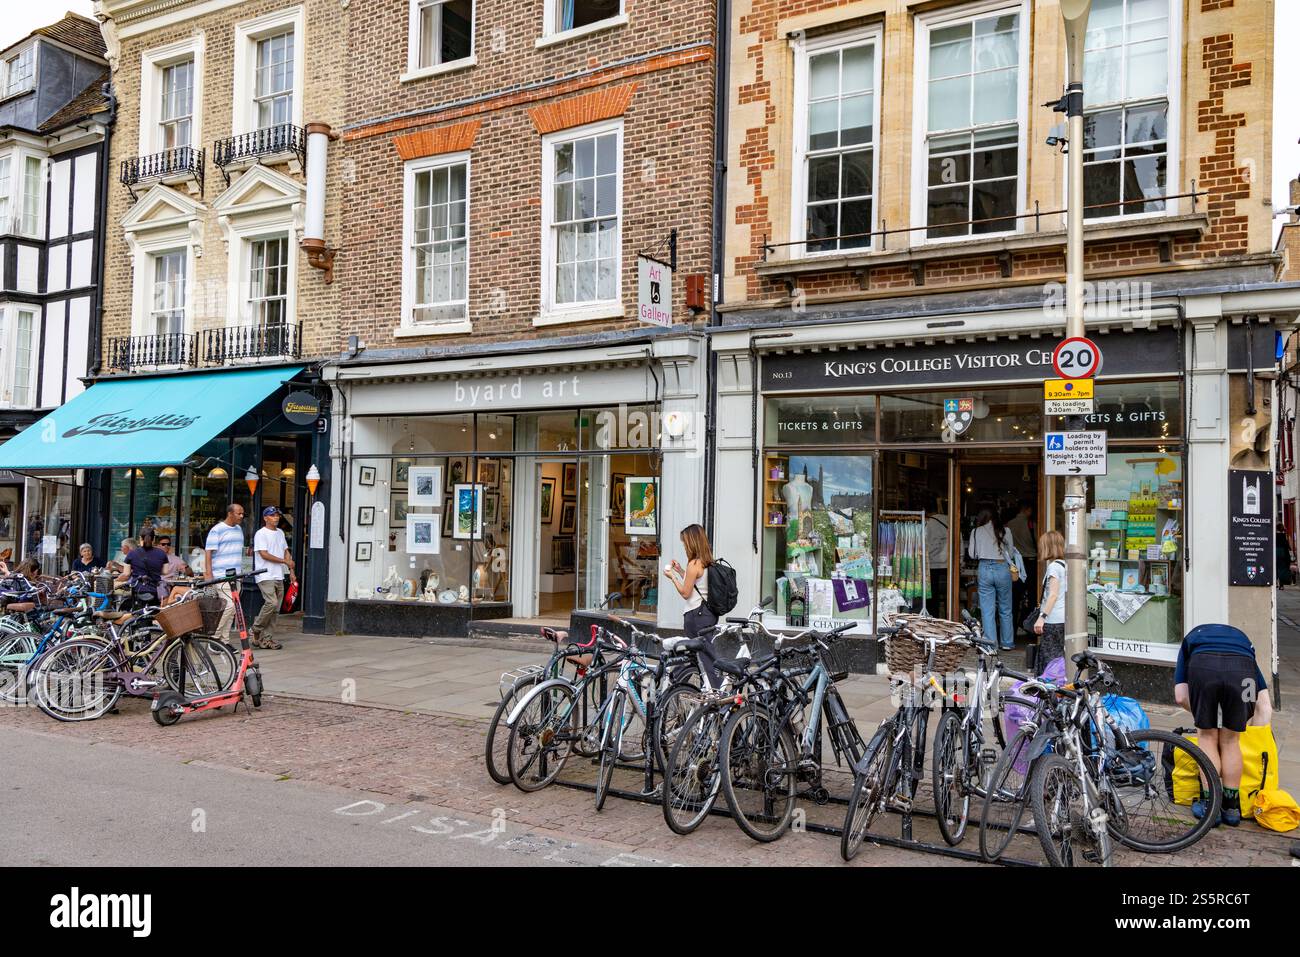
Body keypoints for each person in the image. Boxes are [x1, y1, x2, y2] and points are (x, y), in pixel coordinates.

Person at [1173, 623, 1274, 827]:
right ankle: (1231, 809)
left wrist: (1205, 717)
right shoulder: (1245, 645)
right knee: (1231, 740)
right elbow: (1262, 702)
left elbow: (1181, 697)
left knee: (1207, 736)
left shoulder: (1190, 641)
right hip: (1242, 670)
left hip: (1204, 667)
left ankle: (1211, 805)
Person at [665, 524, 719, 686]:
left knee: (701, 656)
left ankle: (716, 690)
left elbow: (686, 593)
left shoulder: (694, 564)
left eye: (684, 543)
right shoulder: (707, 561)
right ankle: (678, 685)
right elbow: (697, 584)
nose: (684, 546)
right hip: (707, 615)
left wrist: (672, 576)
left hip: (696, 616)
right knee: (701, 654)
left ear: (691, 542)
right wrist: (681, 571)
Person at [968, 507, 1015, 650]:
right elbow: (1011, 554)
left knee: (987, 610)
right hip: (1002, 568)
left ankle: (990, 646)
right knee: (1005, 608)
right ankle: (1007, 643)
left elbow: (972, 554)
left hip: (985, 568)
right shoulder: (1006, 531)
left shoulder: (976, 531)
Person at [251, 506, 295, 650]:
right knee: (272, 602)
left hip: (278, 574)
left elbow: (285, 551)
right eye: (272, 515)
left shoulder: (280, 533)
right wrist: (284, 561)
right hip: (265, 574)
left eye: (277, 515)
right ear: (265, 518)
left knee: (276, 609)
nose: (276, 518)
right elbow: (263, 554)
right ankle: (256, 629)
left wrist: (291, 570)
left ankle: (266, 639)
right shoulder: (261, 534)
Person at [205, 503, 247, 640]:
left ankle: (225, 640)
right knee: (229, 606)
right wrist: (209, 574)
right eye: (238, 513)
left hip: (236, 575)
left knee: (234, 609)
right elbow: (208, 553)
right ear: (230, 514)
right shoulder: (217, 530)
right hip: (221, 575)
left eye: (242, 513)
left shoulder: (239, 529)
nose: (241, 516)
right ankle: (214, 638)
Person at [1031, 530, 1067, 675]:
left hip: (1052, 620)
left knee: (1049, 662)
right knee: (1059, 659)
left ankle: (1049, 692)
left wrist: (1042, 618)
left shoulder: (1053, 567)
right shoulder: (1066, 565)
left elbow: (1052, 594)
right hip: (1063, 619)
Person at [115, 526, 166, 604]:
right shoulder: (161, 553)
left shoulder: (132, 553)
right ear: (154, 539)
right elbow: (165, 571)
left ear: (140, 538)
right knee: (153, 611)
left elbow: (126, 574)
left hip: (138, 588)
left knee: (136, 611)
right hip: (154, 589)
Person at [1007, 500, 1037, 632]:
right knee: (1032, 597)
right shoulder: (1031, 524)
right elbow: (1037, 541)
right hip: (1030, 562)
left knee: (1014, 597)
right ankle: (1027, 626)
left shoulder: (1009, 525)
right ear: (1028, 510)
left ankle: (1011, 630)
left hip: (1015, 564)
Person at [924, 500, 949, 617]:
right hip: (949, 566)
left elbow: (927, 546)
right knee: (949, 596)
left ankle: (934, 620)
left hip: (933, 565)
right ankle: (949, 619)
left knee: (932, 597)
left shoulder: (929, 523)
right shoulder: (951, 519)